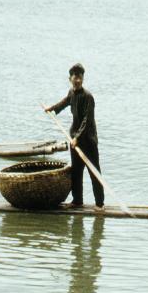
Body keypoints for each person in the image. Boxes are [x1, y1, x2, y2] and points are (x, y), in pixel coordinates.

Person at [45, 63, 103, 209]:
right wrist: (52, 108)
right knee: (76, 171)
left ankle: (99, 204)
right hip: (75, 140)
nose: (77, 80)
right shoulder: (72, 92)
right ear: (70, 78)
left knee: (94, 171)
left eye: (80, 77)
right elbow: (65, 102)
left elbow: (87, 120)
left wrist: (77, 137)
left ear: (83, 79)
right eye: (75, 77)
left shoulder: (88, 97)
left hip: (88, 140)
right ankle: (77, 200)